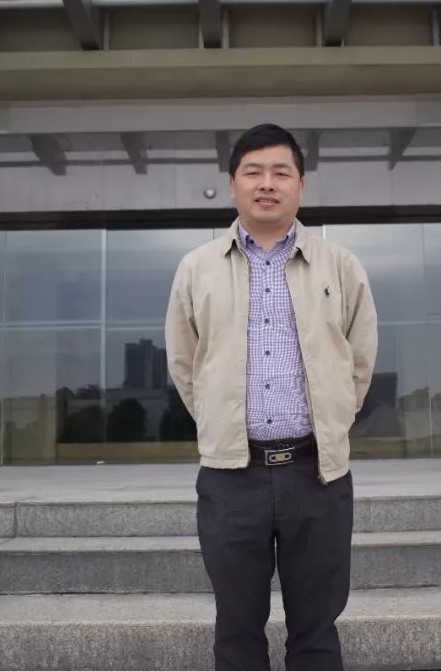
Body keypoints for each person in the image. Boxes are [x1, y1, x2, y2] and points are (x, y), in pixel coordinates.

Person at [165, 123, 378, 671]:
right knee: (237, 629)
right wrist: (221, 423)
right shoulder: (197, 268)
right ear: (232, 185)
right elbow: (185, 366)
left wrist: (333, 420)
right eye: (253, 172)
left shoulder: (340, 265)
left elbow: (359, 360)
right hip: (232, 477)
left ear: (300, 185)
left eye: (281, 172)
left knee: (317, 630)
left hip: (317, 474)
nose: (267, 183)